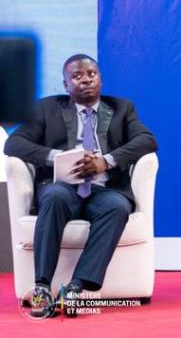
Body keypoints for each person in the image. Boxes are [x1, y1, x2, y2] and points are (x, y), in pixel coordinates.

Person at [4, 54, 157, 317]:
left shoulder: (122, 109)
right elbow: (13, 144)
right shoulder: (46, 109)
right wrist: (56, 158)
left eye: (91, 74)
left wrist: (105, 162)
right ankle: (41, 286)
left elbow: (147, 140)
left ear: (100, 79)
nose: (85, 79)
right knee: (52, 197)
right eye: (77, 76)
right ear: (65, 85)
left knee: (118, 206)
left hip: (104, 190)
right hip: (63, 188)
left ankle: (76, 287)